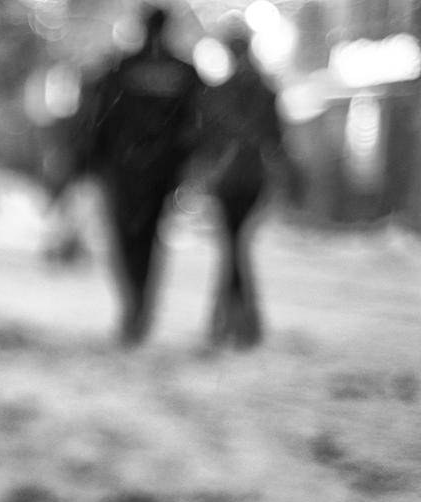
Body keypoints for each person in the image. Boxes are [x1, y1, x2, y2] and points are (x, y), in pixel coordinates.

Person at [76, 4, 204, 344]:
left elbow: (96, 119)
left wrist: (90, 160)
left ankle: (135, 307)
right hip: (157, 172)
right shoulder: (183, 72)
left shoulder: (121, 69)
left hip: (126, 171)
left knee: (126, 238)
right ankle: (138, 308)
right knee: (146, 239)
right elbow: (195, 124)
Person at [197, 25, 301, 348]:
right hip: (239, 180)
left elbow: (210, 140)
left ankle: (231, 323)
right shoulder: (257, 91)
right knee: (235, 250)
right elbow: (275, 140)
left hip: (237, 180)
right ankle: (238, 323)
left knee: (234, 250)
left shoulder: (223, 94)